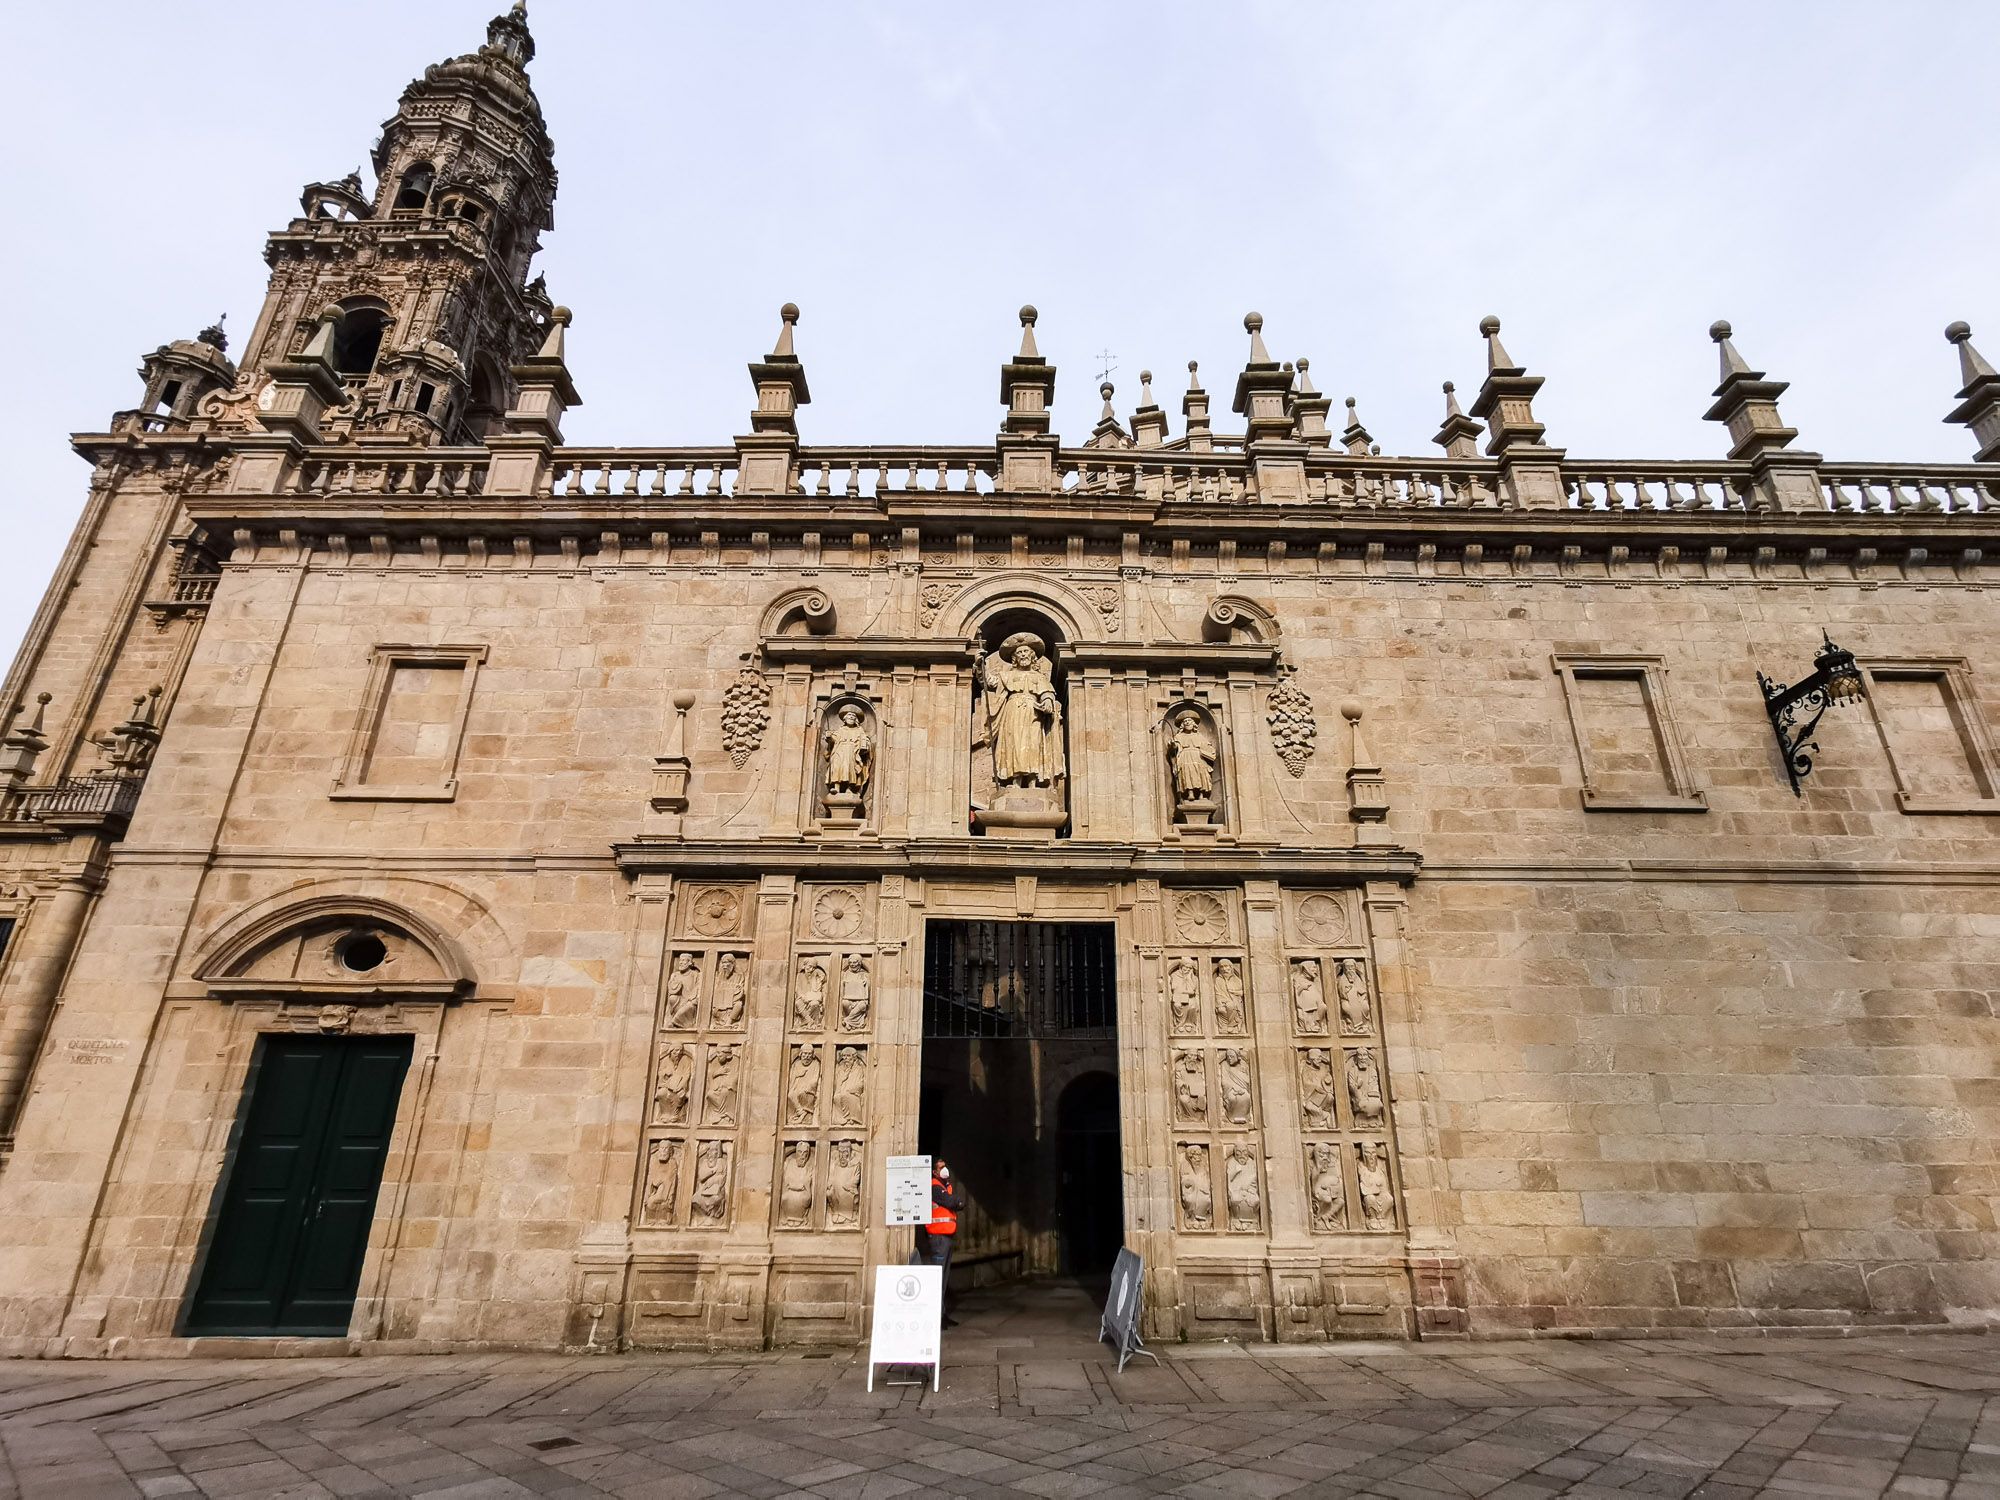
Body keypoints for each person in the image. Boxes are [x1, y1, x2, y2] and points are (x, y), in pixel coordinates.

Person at [915, 1156, 965, 1326]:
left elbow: (954, 1202)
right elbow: (952, 1202)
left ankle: (941, 1314)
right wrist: (955, 1202)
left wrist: (954, 1202)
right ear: (935, 1171)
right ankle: (935, 1316)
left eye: (945, 1166)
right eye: (941, 1167)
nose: (945, 1169)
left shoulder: (946, 1186)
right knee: (937, 1277)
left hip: (947, 1236)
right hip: (938, 1238)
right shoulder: (934, 1187)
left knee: (943, 1277)